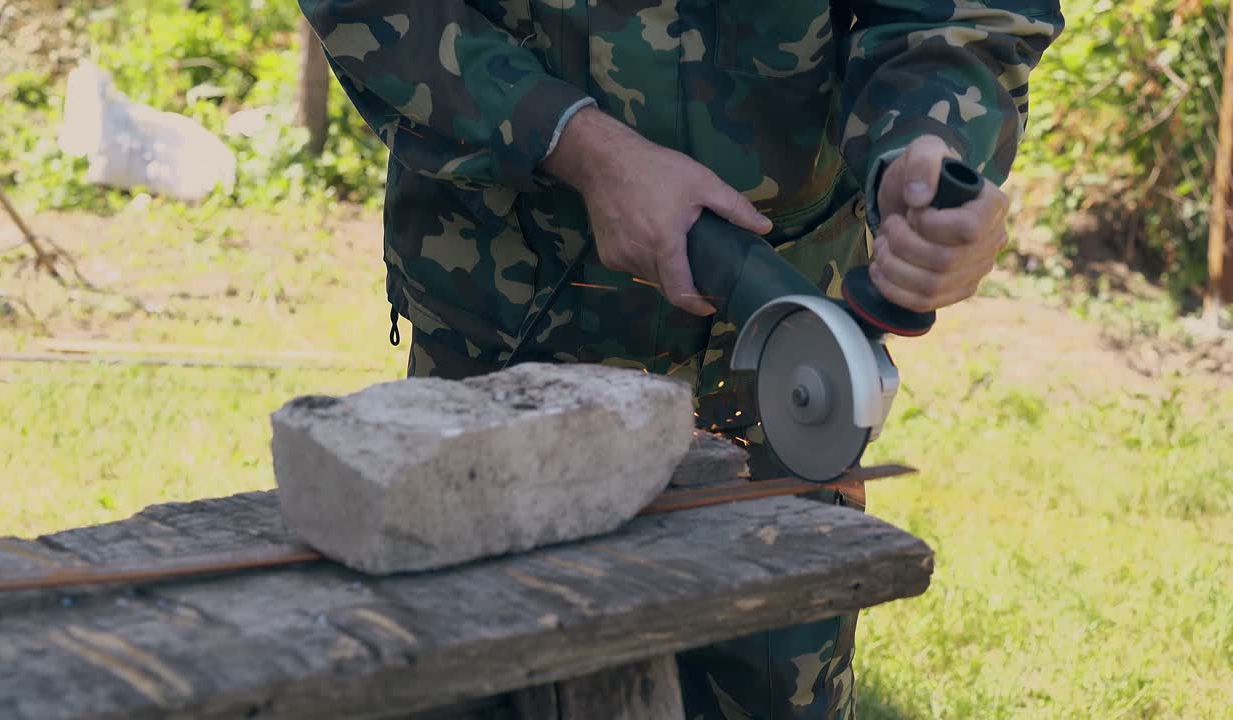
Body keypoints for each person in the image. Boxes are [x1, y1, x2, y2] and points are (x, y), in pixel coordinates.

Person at [298, 1, 1063, 717]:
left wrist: (929, 148)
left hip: (774, 355)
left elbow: (957, 16)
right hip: (508, 336)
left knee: (767, 684)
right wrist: (578, 144)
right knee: (480, 675)